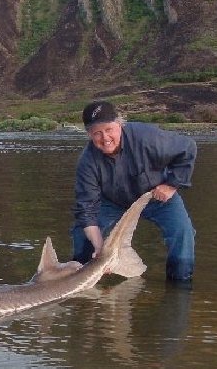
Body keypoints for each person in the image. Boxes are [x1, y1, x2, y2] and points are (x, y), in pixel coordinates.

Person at [71, 101, 197, 281]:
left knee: (183, 234)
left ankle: (180, 286)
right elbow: (86, 210)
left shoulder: (147, 137)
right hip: (113, 203)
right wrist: (100, 249)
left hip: (157, 196)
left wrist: (171, 185)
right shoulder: (87, 162)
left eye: (109, 130)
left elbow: (188, 147)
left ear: (120, 125)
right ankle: (81, 284)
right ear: (89, 135)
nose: (105, 138)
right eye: (97, 133)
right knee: (81, 234)